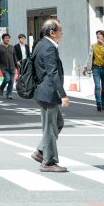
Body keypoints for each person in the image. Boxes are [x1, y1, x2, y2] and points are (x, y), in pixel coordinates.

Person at [33, 18, 68, 172]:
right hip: (48, 92)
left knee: (58, 123)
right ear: (52, 32)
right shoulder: (48, 48)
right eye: (60, 30)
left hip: (44, 91)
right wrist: (63, 94)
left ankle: (41, 151)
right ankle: (49, 162)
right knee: (50, 128)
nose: (62, 33)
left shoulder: (41, 44)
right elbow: (52, 72)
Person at [86, 30, 104, 112]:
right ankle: (99, 103)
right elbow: (89, 57)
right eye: (97, 35)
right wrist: (85, 67)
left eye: (100, 35)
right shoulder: (93, 46)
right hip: (95, 68)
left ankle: (103, 104)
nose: (98, 36)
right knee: (97, 87)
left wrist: (103, 43)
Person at [0, 33, 16, 99]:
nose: (8, 39)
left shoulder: (12, 47)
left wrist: (17, 64)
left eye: (8, 38)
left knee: (11, 82)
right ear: (3, 39)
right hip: (4, 67)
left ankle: (9, 94)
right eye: (6, 38)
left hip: (12, 67)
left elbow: (15, 56)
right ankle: (1, 88)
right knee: (7, 79)